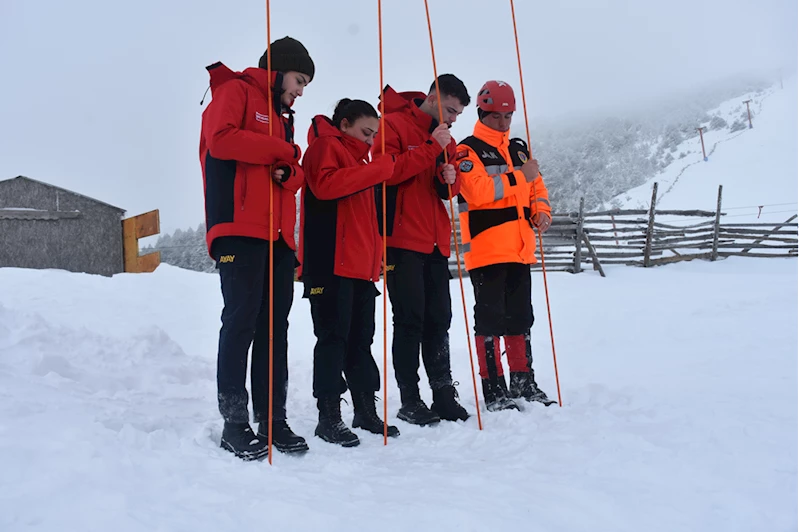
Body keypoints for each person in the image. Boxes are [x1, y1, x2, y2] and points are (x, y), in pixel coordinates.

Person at [199, 36, 314, 460]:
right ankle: (234, 423)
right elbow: (221, 140)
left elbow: (293, 173)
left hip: (278, 236)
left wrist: (290, 170)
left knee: (274, 329)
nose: (300, 91)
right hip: (239, 227)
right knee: (241, 322)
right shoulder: (235, 90)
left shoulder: (283, 117)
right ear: (279, 71)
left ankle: (273, 419)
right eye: (299, 81)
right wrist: (281, 150)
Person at [371, 74, 471, 425]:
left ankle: (443, 394)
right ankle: (409, 399)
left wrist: (450, 179)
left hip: (435, 240)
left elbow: (449, 189)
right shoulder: (393, 125)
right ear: (433, 98)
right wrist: (431, 147)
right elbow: (387, 173)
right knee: (409, 319)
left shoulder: (446, 139)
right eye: (451, 110)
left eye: (458, 114)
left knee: (439, 319)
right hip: (401, 239)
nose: (454, 119)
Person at [299, 99, 400, 447]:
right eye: (365, 132)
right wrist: (378, 170)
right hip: (329, 264)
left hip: (359, 267)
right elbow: (325, 186)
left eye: (374, 136)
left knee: (361, 340)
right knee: (332, 339)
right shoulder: (325, 146)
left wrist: (375, 258)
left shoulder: (362, 162)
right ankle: (328, 417)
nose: (370, 141)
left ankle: (364, 409)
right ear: (344, 124)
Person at [454, 80, 555, 412]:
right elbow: (478, 192)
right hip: (486, 249)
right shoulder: (468, 151)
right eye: (496, 116)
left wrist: (542, 210)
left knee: (521, 318)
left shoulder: (518, 150)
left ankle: (523, 382)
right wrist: (521, 177)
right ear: (481, 113)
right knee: (490, 321)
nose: (503, 122)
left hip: (520, 248)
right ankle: (494, 388)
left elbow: (538, 187)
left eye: (508, 116)